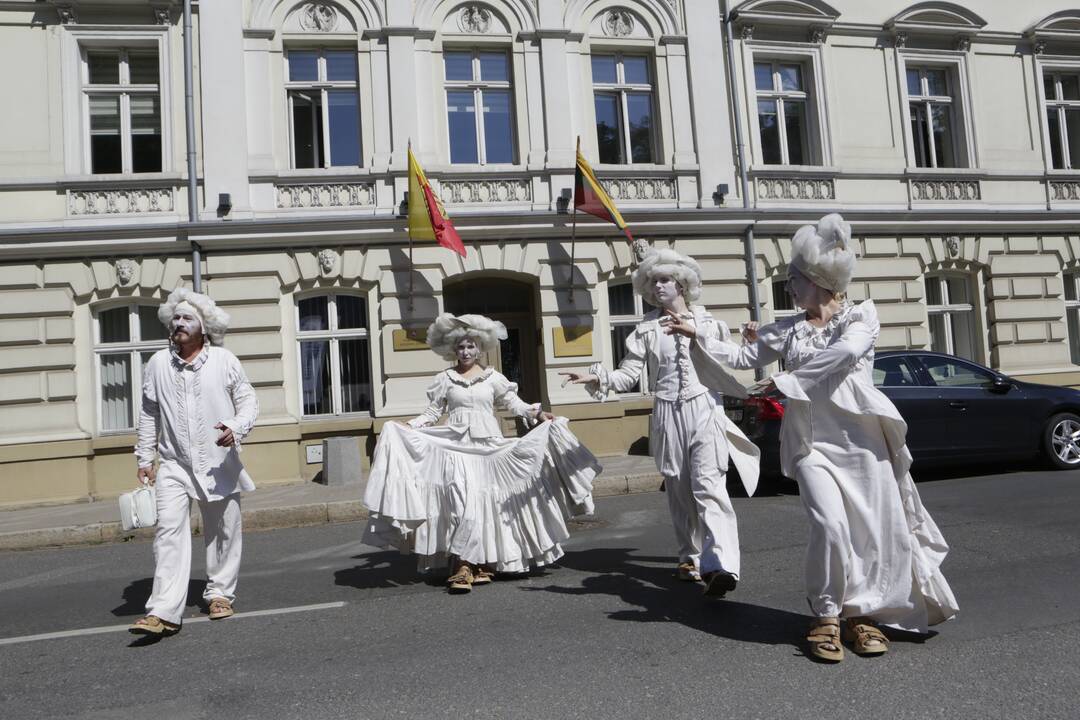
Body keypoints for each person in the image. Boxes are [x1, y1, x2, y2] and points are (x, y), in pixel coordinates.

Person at [667, 213, 958, 662]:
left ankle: (861, 616)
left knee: (870, 532)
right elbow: (743, 355)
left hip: (863, 443)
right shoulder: (788, 328)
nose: (789, 287)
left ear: (820, 280)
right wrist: (699, 331)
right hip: (811, 444)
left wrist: (785, 381)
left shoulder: (860, 317)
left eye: (794, 279)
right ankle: (826, 614)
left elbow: (844, 355)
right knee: (829, 524)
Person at [560, 248, 760, 597]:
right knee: (680, 492)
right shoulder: (646, 330)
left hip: (704, 408)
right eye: (653, 282)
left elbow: (732, 362)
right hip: (667, 412)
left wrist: (750, 342)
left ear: (682, 283)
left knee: (709, 486)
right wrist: (596, 378)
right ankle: (690, 556)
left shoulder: (709, 324)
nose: (658, 287)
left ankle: (721, 566)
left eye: (664, 279)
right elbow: (627, 375)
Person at [362, 313, 600, 593]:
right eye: (461, 347)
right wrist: (409, 426)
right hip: (457, 449)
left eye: (471, 346)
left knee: (489, 505)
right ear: (453, 349)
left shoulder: (493, 378)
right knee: (461, 503)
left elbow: (515, 403)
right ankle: (462, 565)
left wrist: (537, 414)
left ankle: (482, 563)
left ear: (480, 348)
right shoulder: (445, 379)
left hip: (489, 448)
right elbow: (433, 412)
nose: (465, 352)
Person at [128, 289, 259, 636]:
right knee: (168, 531)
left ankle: (220, 594)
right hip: (174, 464)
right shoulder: (157, 364)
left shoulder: (224, 360)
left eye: (187, 319)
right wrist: (145, 457)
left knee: (223, 531)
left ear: (204, 327)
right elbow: (148, 414)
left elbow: (248, 401)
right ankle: (164, 610)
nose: (179, 324)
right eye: (176, 318)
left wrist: (235, 426)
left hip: (218, 462)